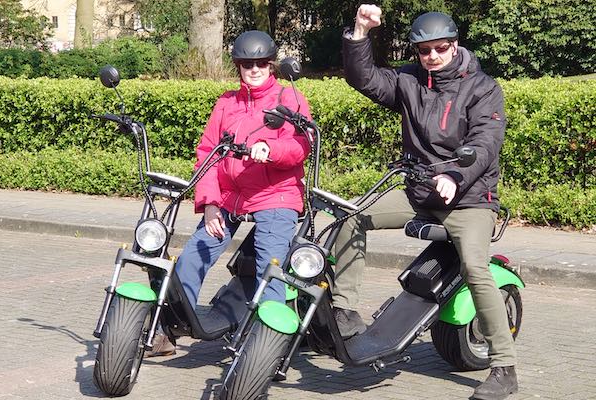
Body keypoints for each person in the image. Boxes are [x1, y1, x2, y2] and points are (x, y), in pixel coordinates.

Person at [335, 5, 517, 400]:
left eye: (440, 48)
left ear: (455, 45)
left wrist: (455, 175)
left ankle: (504, 367)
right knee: (349, 217)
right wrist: (361, 32)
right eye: (424, 50)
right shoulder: (409, 81)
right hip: (421, 195)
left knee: (474, 266)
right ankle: (344, 311)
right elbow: (364, 77)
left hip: (470, 199)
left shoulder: (483, 88)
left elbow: (486, 142)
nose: (432, 56)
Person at [145, 30, 311, 357]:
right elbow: (207, 153)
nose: (254, 69)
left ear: (271, 65)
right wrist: (209, 204)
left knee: (270, 267)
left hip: (275, 194)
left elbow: (302, 146)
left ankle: (267, 348)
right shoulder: (227, 103)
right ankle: (167, 330)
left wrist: (271, 149)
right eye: (247, 64)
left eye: (261, 63)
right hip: (230, 197)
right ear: (238, 66)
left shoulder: (289, 99)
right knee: (194, 255)